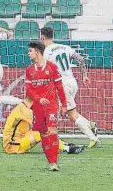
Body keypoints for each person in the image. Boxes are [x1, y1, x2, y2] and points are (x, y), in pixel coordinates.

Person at [40, 27, 100, 148]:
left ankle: (93, 138)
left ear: (42, 37)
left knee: (72, 115)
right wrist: (85, 76)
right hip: (72, 82)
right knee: (70, 112)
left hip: (63, 85)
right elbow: (81, 59)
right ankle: (91, 124)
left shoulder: (46, 52)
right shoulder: (65, 47)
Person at [25, 41, 67, 171]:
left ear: (37, 52)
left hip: (51, 105)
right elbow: (29, 89)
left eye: (30, 51)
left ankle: (54, 162)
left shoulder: (52, 67)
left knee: (52, 131)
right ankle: (50, 162)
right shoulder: (29, 70)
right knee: (43, 134)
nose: (28, 54)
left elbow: (59, 87)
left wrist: (64, 105)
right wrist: (38, 99)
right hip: (38, 107)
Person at [3, 96, 86, 155]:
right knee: (40, 132)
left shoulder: (23, 107)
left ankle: (66, 145)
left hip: (20, 139)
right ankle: (67, 148)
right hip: (12, 146)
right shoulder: (25, 111)